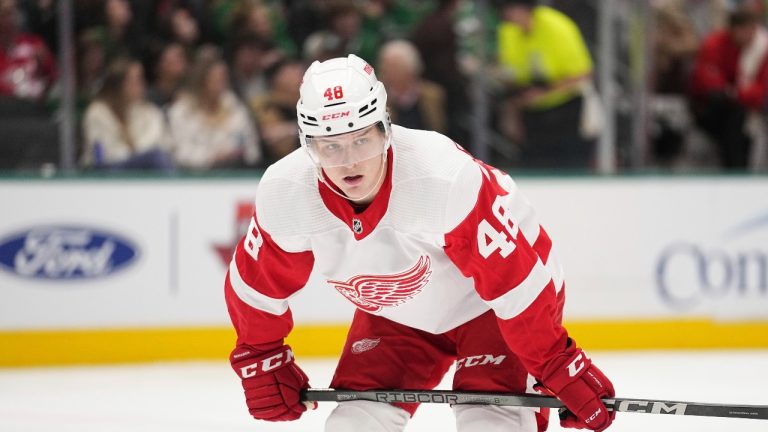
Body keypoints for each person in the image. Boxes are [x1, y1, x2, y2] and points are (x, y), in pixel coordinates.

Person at [224, 54, 615, 432]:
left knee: (489, 423)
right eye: (331, 146)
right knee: (351, 426)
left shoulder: (442, 179)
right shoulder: (286, 192)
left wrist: (555, 362)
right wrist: (261, 353)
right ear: (309, 147)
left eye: (362, 140)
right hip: (397, 312)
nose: (349, 163)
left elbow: (514, 283)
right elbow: (255, 286)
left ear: (386, 129)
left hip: (491, 309)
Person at [493, 0, 596, 169]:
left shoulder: (557, 26)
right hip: (530, 108)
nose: (506, 15)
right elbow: (510, 72)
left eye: (510, 9)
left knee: (567, 162)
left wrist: (544, 93)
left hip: (564, 106)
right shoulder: (508, 30)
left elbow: (582, 74)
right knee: (533, 161)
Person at [689, 5, 768, 169]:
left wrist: (734, 92)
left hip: (745, 110)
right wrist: (734, 93)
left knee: (739, 120)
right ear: (735, 29)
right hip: (711, 108)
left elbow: (760, 92)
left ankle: (739, 169)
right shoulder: (715, 44)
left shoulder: (761, 50)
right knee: (730, 115)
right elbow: (708, 83)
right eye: (747, 30)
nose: (752, 34)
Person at [80, 57, 173, 171]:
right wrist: (138, 154)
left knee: (158, 158)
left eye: (141, 79)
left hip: (144, 168)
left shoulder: (149, 111)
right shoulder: (98, 112)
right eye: (134, 80)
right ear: (118, 84)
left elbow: (164, 144)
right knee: (155, 158)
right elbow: (106, 153)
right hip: (110, 170)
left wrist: (139, 153)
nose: (140, 85)